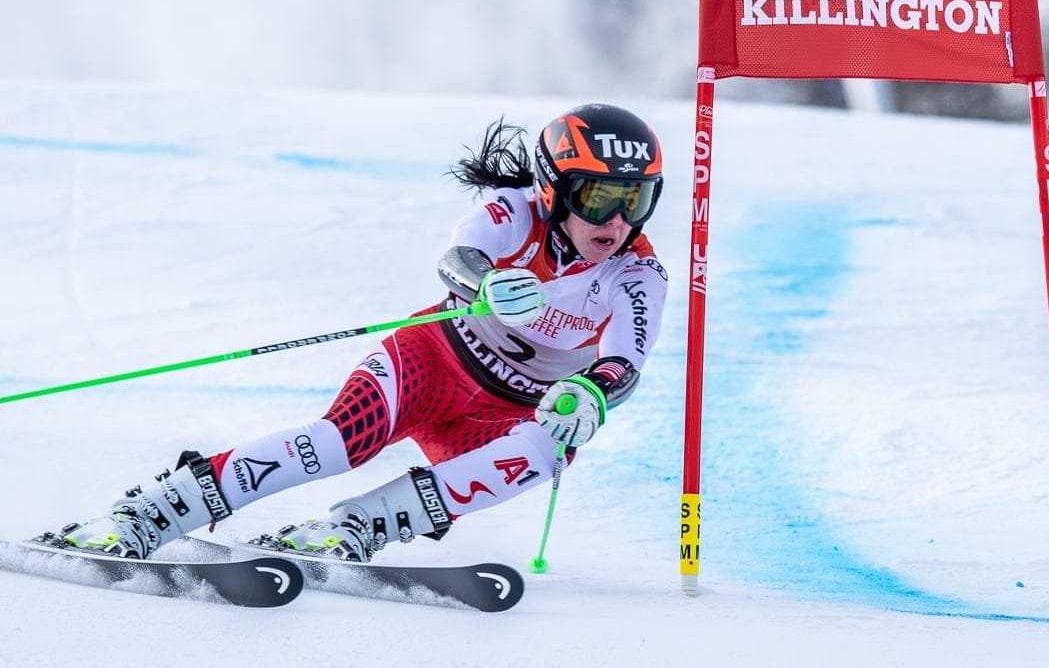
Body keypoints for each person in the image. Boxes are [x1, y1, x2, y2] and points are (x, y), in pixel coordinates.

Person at [51, 103, 669, 562]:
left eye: (635, 201)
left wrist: (589, 395)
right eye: (597, 197)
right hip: (433, 364)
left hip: (504, 412)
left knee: (548, 451)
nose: (616, 221)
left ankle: (359, 526)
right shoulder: (516, 213)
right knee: (337, 443)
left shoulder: (638, 272)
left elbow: (624, 364)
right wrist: (483, 287)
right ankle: (153, 511)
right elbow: (458, 256)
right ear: (554, 189)